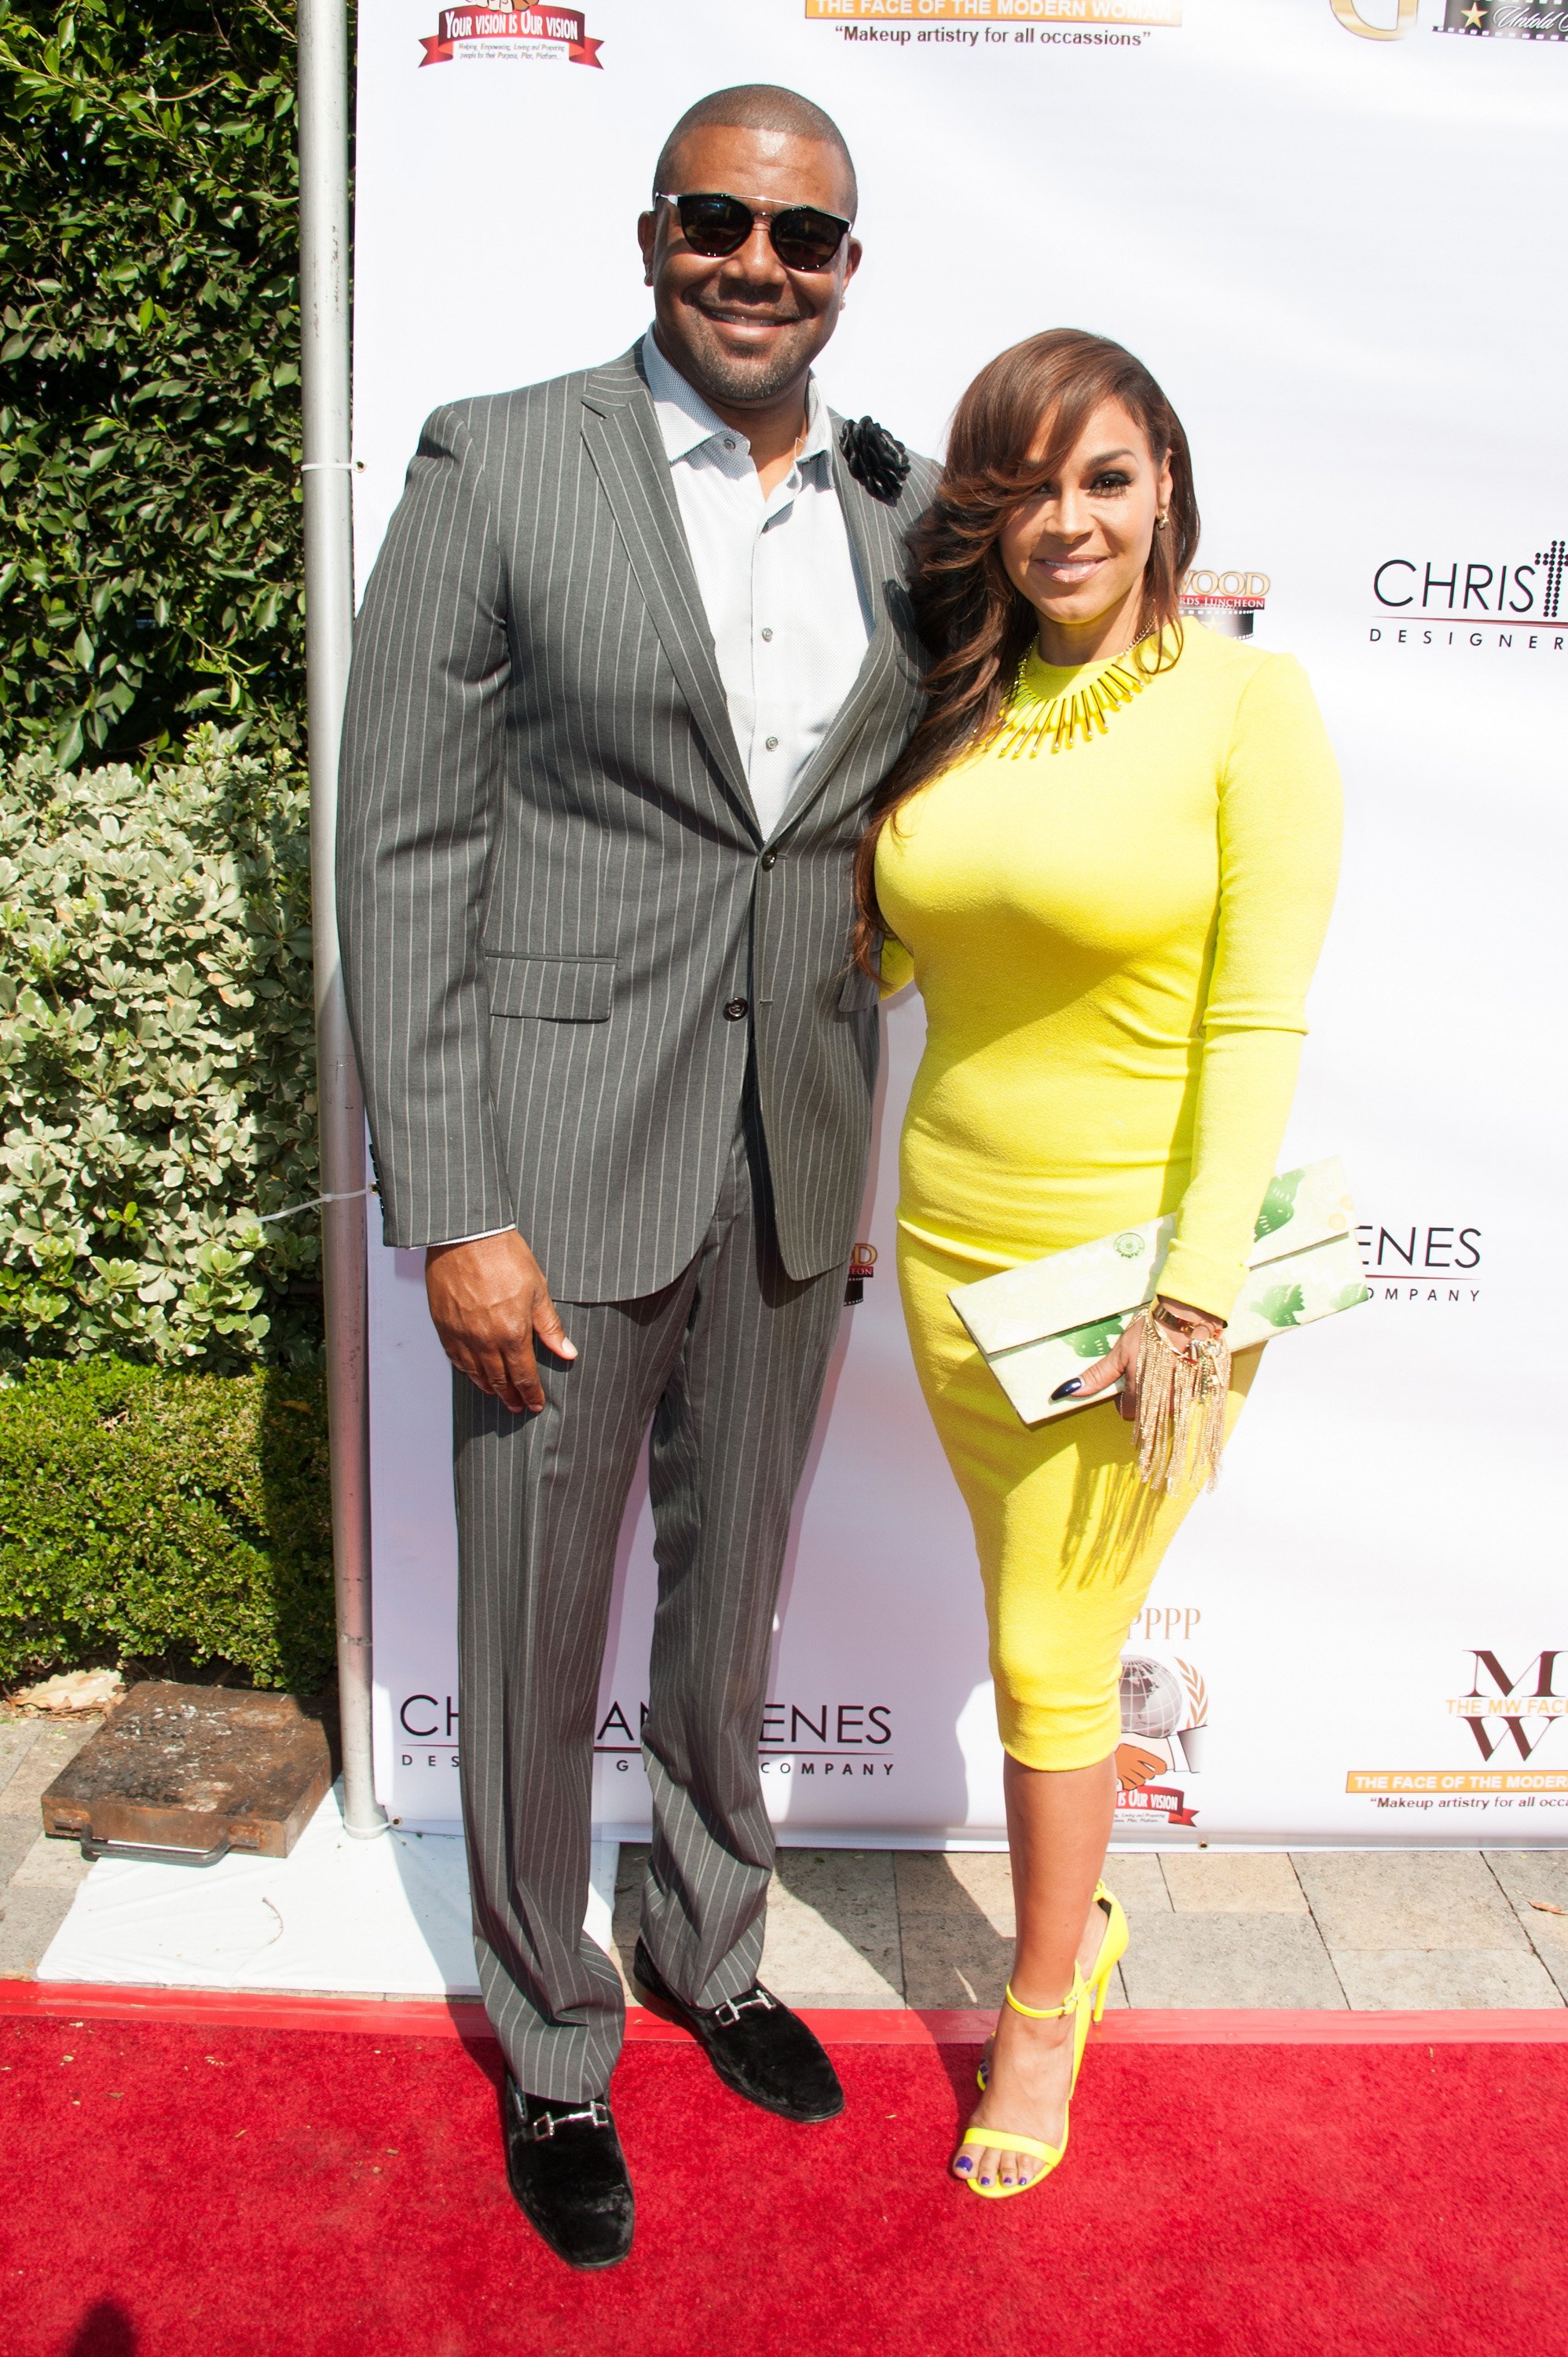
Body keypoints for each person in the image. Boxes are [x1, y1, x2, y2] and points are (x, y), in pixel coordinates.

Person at [337, 86, 933, 2269]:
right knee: (527, 1617)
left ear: (846, 268)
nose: (756, 265)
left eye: (802, 237)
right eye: (719, 220)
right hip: (554, 1177)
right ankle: (556, 2039)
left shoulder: (905, 514)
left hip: (789, 1157)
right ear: (655, 232)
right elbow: (398, 852)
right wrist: (456, 1202)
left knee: (732, 1596)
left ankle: (707, 1942)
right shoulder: (502, 460)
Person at [855, 330, 1340, 2199]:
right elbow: (900, 961)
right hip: (944, 1251)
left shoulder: (1245, 707)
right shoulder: (955, 708)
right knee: (1029, 1616)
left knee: (1047, 1649)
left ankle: (1043, 2004)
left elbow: (1255, 1029)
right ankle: (1076, 1943)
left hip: (1136, 1284)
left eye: (1105, 479)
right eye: (1028, 484)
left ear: (1164, 493)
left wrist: (1196, 1299)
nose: (1067, 520)